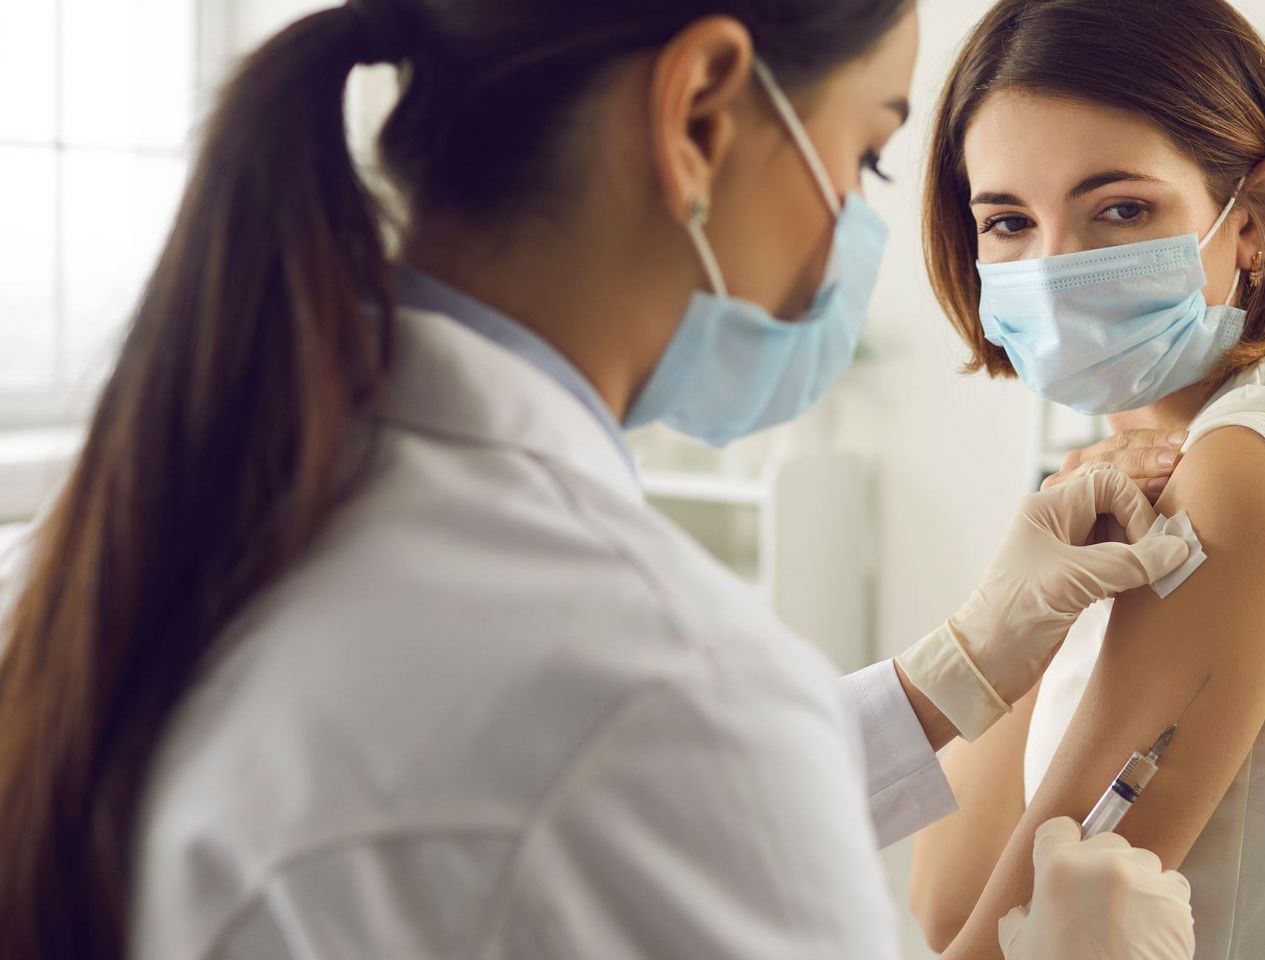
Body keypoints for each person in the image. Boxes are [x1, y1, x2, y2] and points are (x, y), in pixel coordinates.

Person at [0, 2, 1200, 958]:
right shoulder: (661, 690)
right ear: (700, 114)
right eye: (867, 155)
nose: (852, 223)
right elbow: (639, 775)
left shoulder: (120, 527)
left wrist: (966, 661)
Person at [908, 1, 1265, 957]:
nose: (1054, 268)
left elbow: (995, 940)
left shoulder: (1245, 470)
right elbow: (946, 901)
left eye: (1119, 208)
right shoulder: (1111, 491)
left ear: (1253, 220)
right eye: (1008, 221)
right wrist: (1010, 630)